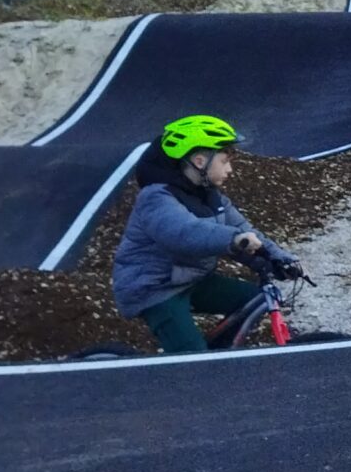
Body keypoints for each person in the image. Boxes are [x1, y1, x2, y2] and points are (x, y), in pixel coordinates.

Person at [111, 116, 301, 355]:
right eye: (224, 161)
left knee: (255, 299)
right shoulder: (156, 198)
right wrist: (234, 240)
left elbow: (244, 230)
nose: (230, 169)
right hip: (154, 288)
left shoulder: (210, 196)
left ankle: (219, 358)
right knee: (194, 360)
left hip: (189, 279)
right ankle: (201, 366)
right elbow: (184, 233)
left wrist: (278, 259)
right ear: (200, 161)